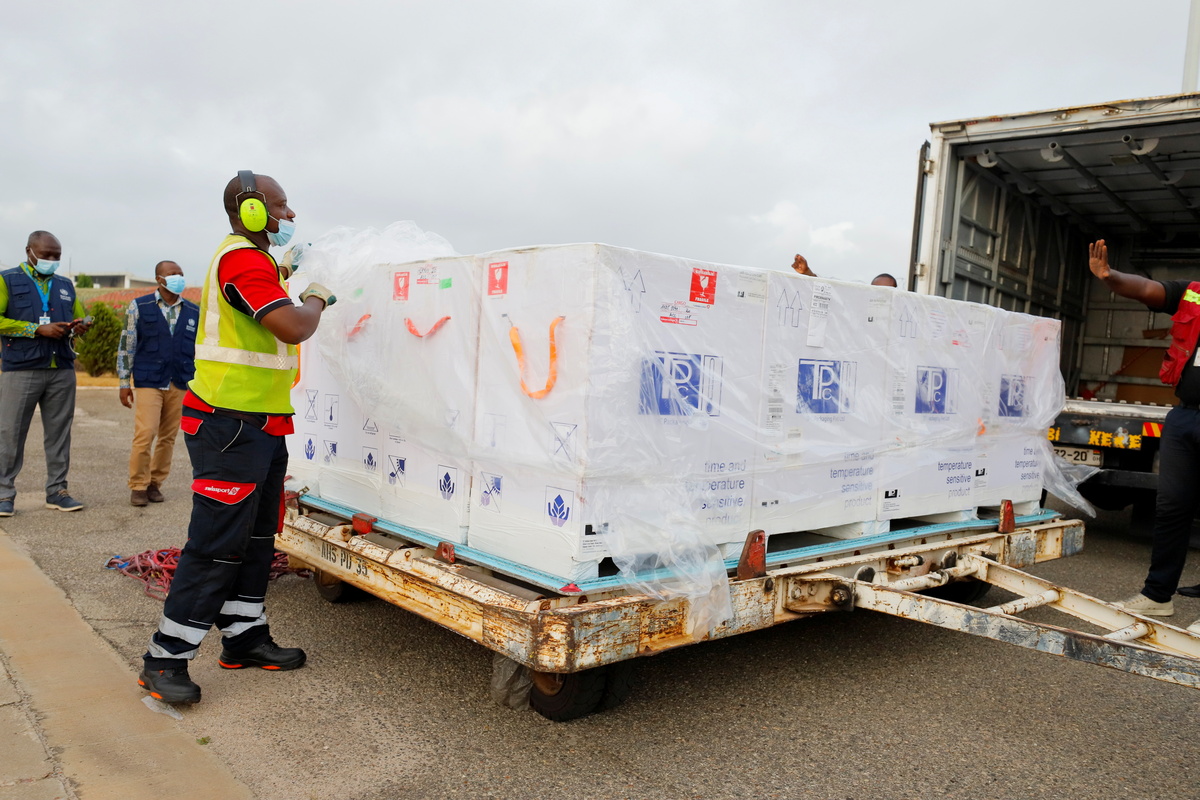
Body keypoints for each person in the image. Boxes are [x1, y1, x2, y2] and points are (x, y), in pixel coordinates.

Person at [138, 172, 335, 705]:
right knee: (216, 544)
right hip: (229, 424)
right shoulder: (242, 261)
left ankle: (244, 637)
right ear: (251, 210)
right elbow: (293, 326)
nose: (290, 215)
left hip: (262, 423)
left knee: (256, 537)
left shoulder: (259, 263)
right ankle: (164, 659)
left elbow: (264, 298)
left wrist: (289, 270)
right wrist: (316, 298)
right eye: (281, 206)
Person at [1088, 238, 1200, 633]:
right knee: (1171, 509)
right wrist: (1110, 277)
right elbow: (1148, 289)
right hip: (1185, 417)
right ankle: (1157, 596)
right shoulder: (1194, 294)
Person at [0, 231, 91, 517]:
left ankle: (57, 491)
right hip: (21, 368)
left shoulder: (65, 285)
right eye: (46, 255)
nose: (51, 260)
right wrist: (36, 329)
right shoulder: (7, 280)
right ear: (29, 251)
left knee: (59, 434)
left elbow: (79, 315)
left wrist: (80, 326)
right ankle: (3, 494)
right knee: (10, 432)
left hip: (60, 368)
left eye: (56, 256)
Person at [117, 260, 198, 506]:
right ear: (159, 279)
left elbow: (198, 351)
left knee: (168, 437)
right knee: (145, 434)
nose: (178, 278)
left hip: (180, 382)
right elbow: (127, 345)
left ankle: (155, 483)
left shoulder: (193, 311)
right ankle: (138, 485)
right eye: (172, 274)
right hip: (150, 381)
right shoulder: (139, 306)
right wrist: (124, 382)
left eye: (180, 274)